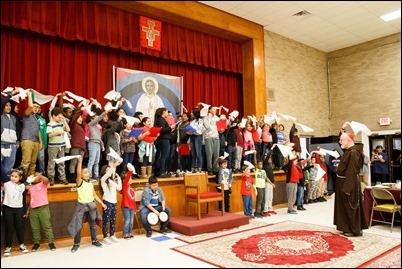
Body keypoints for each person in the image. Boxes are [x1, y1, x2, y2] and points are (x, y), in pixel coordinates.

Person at [67, 156, 106, 253]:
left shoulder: (90, 184)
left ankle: (94, 240)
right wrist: (79, 161)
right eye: (85, 172)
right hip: (81, 207)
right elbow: (78, 173)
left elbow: (95, 195)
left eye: (88, 172)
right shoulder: (79, 182)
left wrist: (102, 203)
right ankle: (76, 244)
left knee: (92, 225)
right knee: (78, 226)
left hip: (91, 206)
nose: (87, 174)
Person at [334, 127, 368, 237]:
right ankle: (346, 227)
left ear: (348, 141)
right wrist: (342, 128)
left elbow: (351, 172)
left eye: (341, 140)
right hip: (343, 182)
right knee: (344, 207)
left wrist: (347, 188)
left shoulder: (353, 153)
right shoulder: (349, 150)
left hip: (349, 183)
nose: (340, 142)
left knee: (350, 206)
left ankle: (353, 229)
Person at [26, 170, 56, 251]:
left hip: (43, 208)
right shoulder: (31, 187)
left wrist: (39, 176)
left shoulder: (43, 184)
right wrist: (28, 210)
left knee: (47, 226)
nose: (36, 177)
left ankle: (51, 243)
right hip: (33, 209)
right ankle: (36, 243)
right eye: (34, 176)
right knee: (34, 228)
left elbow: (46, 180)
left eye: (37, 176)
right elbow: (32, 199)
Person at [2, 168, 29, 256]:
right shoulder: (6, 184)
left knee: (19, 228)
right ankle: (8, 247)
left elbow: (24, 200)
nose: (13, 178)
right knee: (9, 229)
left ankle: (21, 245)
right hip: (8, 209)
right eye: (12, 176)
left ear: (20, 177)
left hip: (19, 210)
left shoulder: (23, 186)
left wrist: (24, 211)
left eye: (16, 176)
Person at [99, 157, 122, 244]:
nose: (110, 171)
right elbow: (108, 174)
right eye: (108, 170)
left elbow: (119, 188)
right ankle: (105, 236)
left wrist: (118, 178)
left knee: (113, 219)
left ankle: (112, 235)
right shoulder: (103, 180)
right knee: (106, 219)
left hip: (114, 202)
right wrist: (114, 166)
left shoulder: (112, 181)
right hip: (107, 202)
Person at [46, 107, 70, 185]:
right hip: (53, 146)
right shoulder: (50, 124)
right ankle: (51, 178)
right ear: (53, 116)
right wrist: (58, 133)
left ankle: (62, 178)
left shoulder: (61, 124)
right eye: (58, 116)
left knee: (61, 162)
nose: (60, 118)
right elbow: (49, 135)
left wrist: (64, 122)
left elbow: (68, 130)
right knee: (52, 162)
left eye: (61, 116)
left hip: (61, 145)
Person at [1, 87, 20, 183]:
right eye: (6, 105)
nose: (8, 107)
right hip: (2, 144)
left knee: (9, 166)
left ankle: (7, 185)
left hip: (12, 145)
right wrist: (12, 93)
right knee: (1, 167)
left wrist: (17, 141)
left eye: (9, 106)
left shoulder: (13, 117)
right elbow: (2, 103)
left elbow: (17, 131)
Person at [121, 163, 137, 239]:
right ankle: (125, 233)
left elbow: (133, 199)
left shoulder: (131, 188)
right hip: (126, 206)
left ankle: (130, 232)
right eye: (130, 178)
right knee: (127, 220)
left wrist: (135, 209)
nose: (131, 179)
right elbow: (127, 178)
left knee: (131, 220)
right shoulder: (124, 186)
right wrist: (130, 171)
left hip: (131, 206)